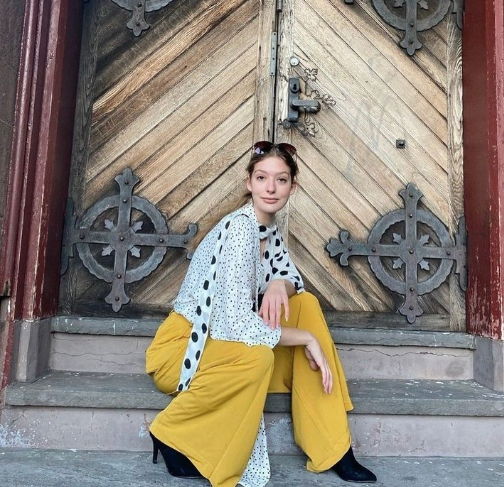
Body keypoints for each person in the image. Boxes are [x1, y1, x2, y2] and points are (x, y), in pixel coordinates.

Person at [145, 141, 377, 487]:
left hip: (222, 345)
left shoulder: (268, 231)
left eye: (281, 180)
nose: (271, 188)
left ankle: (333, 446)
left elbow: (292, 278)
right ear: (248, 183)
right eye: (262, 178)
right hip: (185, 348)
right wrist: (307, 339)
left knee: (306, 306)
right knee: (259, 359)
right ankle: (171, 433)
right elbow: (238, 324)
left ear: (292, 187)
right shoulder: (239, 230)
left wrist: (279, 286)